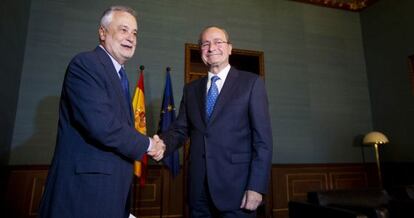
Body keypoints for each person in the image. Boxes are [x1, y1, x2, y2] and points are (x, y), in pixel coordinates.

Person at [38, 6, 164, 218]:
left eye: (135, 33)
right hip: (83, 195)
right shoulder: (86, 64)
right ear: (103, 33)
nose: (131, 38)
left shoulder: (119, 75)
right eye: (123, 30)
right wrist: (150, 145)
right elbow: (102, 126)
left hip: (109, 195)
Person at [159, 26, 273, 217]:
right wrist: (161, 144)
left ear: (229, 48)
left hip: (238, 191)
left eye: (218, 42)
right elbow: (180, 130)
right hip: (198, 192)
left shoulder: (252, 83)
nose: (212, 48)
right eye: (205, 44)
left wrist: (256, 186)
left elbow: (263, 141)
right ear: (201, 51)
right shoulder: (191, 89)